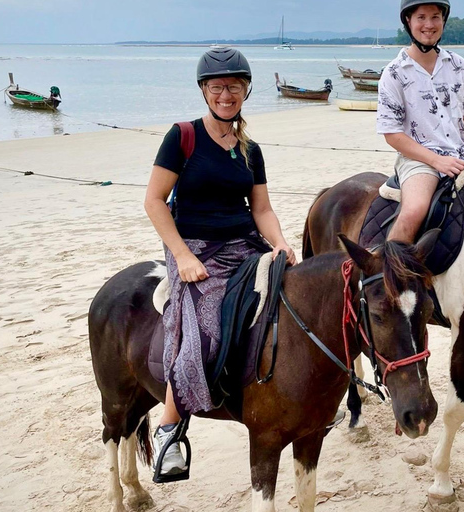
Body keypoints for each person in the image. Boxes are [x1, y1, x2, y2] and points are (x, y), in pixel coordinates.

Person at [144, 46, 296, 480]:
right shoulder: (183, 136)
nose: (226, 94)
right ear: (204, 91)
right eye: (217, 87)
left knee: (293, 303)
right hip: (194, 248)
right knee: (205, 328)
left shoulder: (251, 148)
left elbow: (261, 209)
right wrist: (183, 256)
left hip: (245, 244)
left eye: (234, 86)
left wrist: (281, 242)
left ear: (246, 90)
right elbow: (154, 201)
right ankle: (169, 428)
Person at [377, 0, 464, 244]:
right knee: (414, 210)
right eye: (421, 17)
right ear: (408, 21)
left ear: (444, 21)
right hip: (419, 161)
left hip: (461, 155)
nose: (429, 24)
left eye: (435, 17)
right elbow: (392, 134)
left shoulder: (459, 65)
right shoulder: (394, 73)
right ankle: (390, 273)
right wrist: (437, 160)